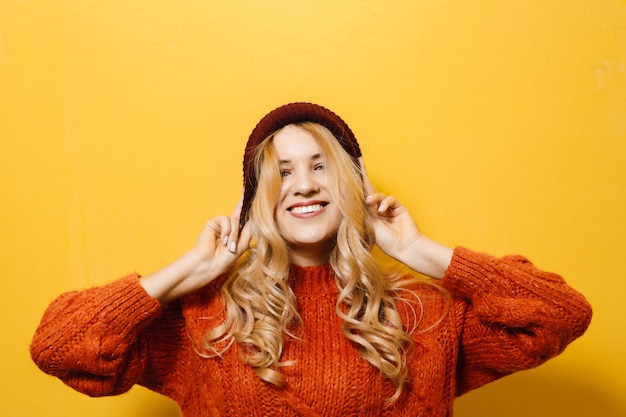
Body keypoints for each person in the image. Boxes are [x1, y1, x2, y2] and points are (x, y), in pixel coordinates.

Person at [31, 102, 592, 416]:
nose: (302, 185)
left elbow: (560, 314)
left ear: (351, 183)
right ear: (256, 199)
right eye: (282, 171)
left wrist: (418, 251)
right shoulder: (205, 319)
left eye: (321, 166)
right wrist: (191, 271)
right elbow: (59, 346)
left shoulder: (422, 314)